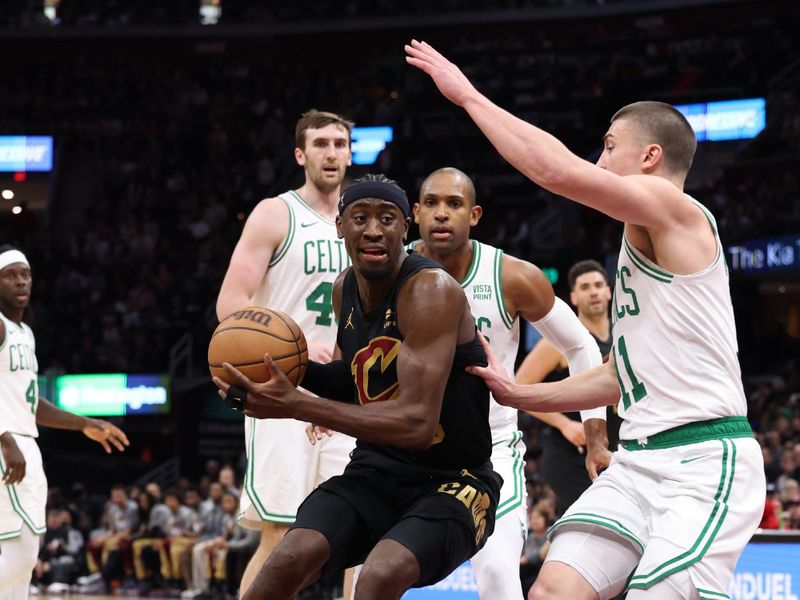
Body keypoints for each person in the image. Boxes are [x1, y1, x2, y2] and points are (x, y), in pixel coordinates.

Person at [407, 40, 765, 599]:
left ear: (649, 157)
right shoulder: (640, 247)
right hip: (638, 460)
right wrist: (520, 395)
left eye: (608, 146)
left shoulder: (678, 210)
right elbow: (618, 376)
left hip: (703, 460)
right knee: (551, 591)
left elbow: (556, 171)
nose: (598, 160)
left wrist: (469, 97)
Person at [213, 174, 502, 600]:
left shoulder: (431, 290)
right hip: (375, 472)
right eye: (359, 217)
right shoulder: (344, 288)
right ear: (340, 226)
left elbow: (417, 424)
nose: (373, 229)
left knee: (379, 574)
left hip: (452, 481)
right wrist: (281, 370)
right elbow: (354, 381)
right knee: (288, 557)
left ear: (406, 227)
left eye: (387, 219)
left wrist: (296, 405)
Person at [411, 167, 602, 599]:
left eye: (455, 204)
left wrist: (594, 432)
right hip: (406, 448)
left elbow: (581, 348)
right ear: (416, 212)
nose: (443, 214)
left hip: (488, 450)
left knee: (498, 574)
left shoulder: (510, 276)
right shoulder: (389, 271)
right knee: (372, 571)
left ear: (474, 215)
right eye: (433, 203)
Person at [215, 109, 357, 597]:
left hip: (347, 392)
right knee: (282, 533)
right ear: (301, 154)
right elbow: (230, 305)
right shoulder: (276, 213)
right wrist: (296, 344)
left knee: (362, 530)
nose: (332, 152)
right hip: (280, 386)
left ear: (351, 153)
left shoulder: (362, 221)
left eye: (340, 143)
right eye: (321, 143)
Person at [0, 245, 129, 600]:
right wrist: (4, 437)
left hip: (24, 441)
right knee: (22, 549)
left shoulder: (24, 332)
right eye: (10, 275)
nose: (20, 281)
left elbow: (29, 402)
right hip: (7, 446)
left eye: (24, 274)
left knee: (23, 555)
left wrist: (84, 423)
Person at [516, 260, 616, 516]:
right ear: (573, 297)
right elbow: (519, 388)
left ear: (608, 291)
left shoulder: (623, 334)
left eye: (597, 285)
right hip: (570, 455)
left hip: (616, 447)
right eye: (584, 287)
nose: (593, 292)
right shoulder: (560, 342)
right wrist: (564, 424)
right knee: (599, 523)